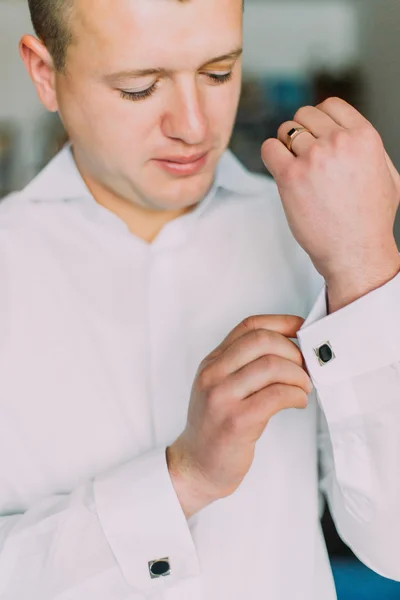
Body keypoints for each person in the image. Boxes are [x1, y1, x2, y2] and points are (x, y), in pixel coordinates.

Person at [0, 0, 400, 598]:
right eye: (139, 88)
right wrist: (181, 479)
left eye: (218, 73)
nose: (194, 125)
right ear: (43, 72)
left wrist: (367, 269)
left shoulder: (320, 235)